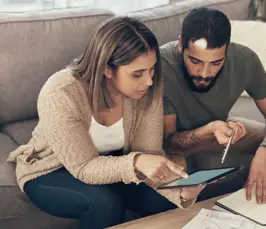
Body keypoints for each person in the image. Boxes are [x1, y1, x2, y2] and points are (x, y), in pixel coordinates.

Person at [7, 16, 204, 229]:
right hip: (53, 169)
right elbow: (84, 167)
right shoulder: (60, 93)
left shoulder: (147, 87)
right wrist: (136, 162)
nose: (148, 80)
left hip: (115, 163)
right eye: (137, 74)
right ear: (107, 69)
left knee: (163, 199)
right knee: (103, 202)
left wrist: (179, 190)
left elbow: (148, 154)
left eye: (152, 69)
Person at [160, 7, 266, 205]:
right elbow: (169, 142)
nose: (205, 73)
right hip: (174, 143)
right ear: (181, 44)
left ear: (227, 49)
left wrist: (265, 153)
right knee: (175, 182)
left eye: (216, 63)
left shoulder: (244, 60)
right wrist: (209, 129)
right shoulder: (162, 67)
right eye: (195, 61)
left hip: (218, 130)